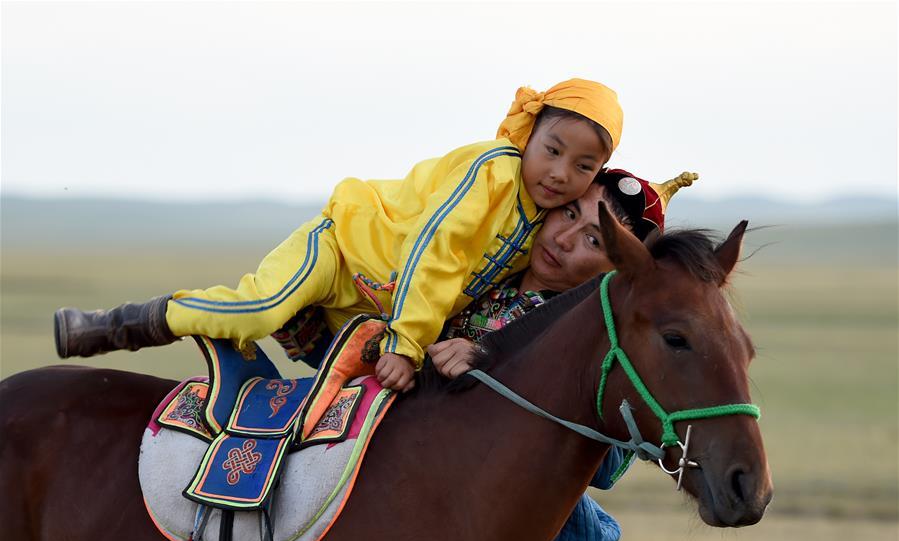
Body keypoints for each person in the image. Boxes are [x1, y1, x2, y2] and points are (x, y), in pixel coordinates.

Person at [54, 79, 625, 393]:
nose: (559, 174)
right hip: (343, 253)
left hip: (375, 305)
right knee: (260, 308)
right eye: (552, 150)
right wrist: (406, 343)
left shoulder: (538, 221)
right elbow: (436, 252)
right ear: (528, 134)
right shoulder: (492, 172)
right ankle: (123, 324)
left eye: (581, 166)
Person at [428, 168, 697, 541]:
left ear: (617, 270)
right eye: (569, 212)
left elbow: (605, 466)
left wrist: (492, 367)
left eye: (594, 239)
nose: (565, 238)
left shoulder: (602, 346)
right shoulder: (475, 280)